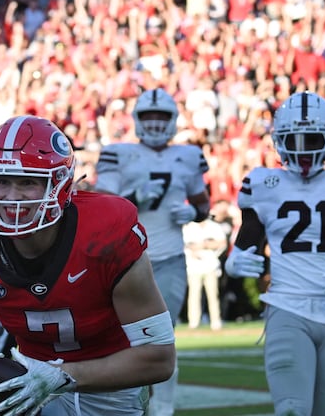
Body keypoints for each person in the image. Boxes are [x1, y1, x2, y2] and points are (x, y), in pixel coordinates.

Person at [0, 116, 175, 416]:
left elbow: (159, 358)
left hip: (109, 387)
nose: (11, 197)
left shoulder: (107, 234)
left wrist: (60, 376)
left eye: (27, 181)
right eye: (1, 180)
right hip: (26, 385)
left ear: (61, 185)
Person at [226, 91, 325, 415]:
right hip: (287, 307)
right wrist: (234, 262)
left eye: (311, 138)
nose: (302, 150)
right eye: (294, 139)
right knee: (292, 410)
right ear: (279, 141)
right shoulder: (263, 183)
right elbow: (240, 248)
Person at [94, 87, 211, 416]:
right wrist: (133, 196)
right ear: (137, 120)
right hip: (125, 261)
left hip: (170, 258)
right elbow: (101, 208)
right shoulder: (119, 153)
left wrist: (195, 213)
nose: (156, 123)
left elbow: (203, 204)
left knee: (163, 340)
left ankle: (164, 410)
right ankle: (124, 404)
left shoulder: (187, 156)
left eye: (163, 117)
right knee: (120, 339)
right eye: (150, 116)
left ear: (174, 120)